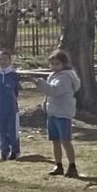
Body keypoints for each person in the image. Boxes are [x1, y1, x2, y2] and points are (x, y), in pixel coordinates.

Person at [33, 49, 82, 178]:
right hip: (53, 112)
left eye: (57, 64)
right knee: (55, 140)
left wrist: (42, 84)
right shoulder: (53, 76)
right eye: (52, 64)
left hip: (63, 113)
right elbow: (49, 94)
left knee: (65, 141)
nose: (54, 66)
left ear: (64, 64)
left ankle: (72, 166)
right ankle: (58, 165)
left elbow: (54, 91)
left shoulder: (65, 77)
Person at [0, 50, 21, 162]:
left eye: (5, 59)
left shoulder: (13, 76)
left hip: (11, 109)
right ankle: (3, 151)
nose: (2, 61)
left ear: (10, 61)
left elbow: (15, 92)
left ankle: (15, 151)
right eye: (0, 59)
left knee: (12, 130)